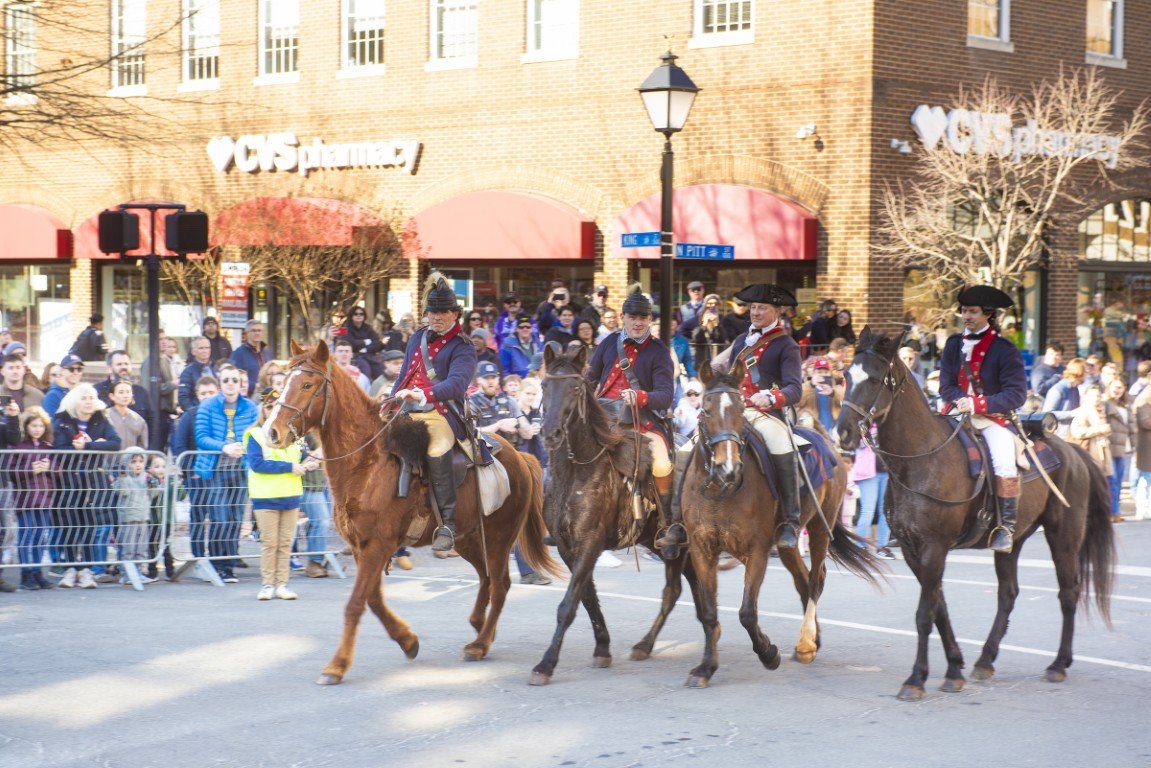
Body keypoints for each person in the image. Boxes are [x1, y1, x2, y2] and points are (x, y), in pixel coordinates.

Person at [713, 283, 806, 549]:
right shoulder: (742, 340)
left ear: (776, 311)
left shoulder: (786, 344)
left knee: (781, 444)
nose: (755, 312)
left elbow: (795, 389)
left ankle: (790, 521)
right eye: (753, 307)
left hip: (766, 414)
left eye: (762, 308)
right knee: (693, 442)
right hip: (736, 410)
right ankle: (680, 517)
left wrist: (770, 397)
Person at [588, 285, 678, 554]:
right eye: (632, 317)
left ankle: (665, 525)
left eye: (643, 318)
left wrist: (639, 397)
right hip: (602, 417)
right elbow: (590, 377)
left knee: (662, 463)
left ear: (650, 320)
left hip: (642, 421)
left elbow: (665, 395)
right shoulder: (609, 342)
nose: (637, 323)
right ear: (624, 317)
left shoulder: (659, 351)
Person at [938, 285, 1028, 552]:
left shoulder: (1004, 349)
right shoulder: (953, 344)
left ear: (987, 314)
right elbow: (946, 386)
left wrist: (978, 403)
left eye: (972, 311)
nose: (966, 316)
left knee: (1003, 462)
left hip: (992, 419)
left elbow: (1016, 394)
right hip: (955, 412)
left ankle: (1005, 527)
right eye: (964, 311)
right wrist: (959, 400)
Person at [391, 273, 477, 552]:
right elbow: (404, 375)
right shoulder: (417, 338)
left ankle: (448, 524)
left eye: (443, 312)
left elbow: (456, 385)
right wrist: (392, 399)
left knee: (437, 450)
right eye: (432, 312)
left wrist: (423, 394)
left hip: (439, 412)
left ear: (455, 313)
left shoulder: (463, 346)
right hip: (406, 407)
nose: (437, 317)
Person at [471, 364, 548, 585]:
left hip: (512, 463)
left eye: (494, 377)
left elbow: (523, 428)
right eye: (486, 378)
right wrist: (498, 426)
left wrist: (527, 428)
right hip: (485, 464)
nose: (491, 381)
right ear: (478, 381)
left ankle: (527, 570)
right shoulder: (472, 402)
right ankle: (492, 569)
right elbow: (471, 433)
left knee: (519, 516)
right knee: (494, 519)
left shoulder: (509, 401)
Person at [246, 387, 317, 600]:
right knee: (270, 543)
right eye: (269, 407)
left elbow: (302, 457)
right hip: (265, 496)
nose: (273, 411)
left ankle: (282, 584)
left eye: (276, 407)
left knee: (286, 542)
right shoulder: (255, 435)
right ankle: (268, 584)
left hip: (290, 494)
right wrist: (289, 467)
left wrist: (310, 462)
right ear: (264, 410)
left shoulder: (293, 435)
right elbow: (257, 464)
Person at [51, 383, 122, 590]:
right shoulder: (63, 420)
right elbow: (58, 448)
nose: (89, 401)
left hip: (93, 481)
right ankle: (72, 567)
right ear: (75, 401)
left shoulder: (101, 418)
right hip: (69, 481)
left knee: (90, 525)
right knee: (70, 525)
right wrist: (79, 448)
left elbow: (115, 443)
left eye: (92, 397)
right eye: (84, 398)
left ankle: (86, 570)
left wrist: (88, 446)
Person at [194, 364, 259, 582]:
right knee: (219, 518)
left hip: (240, 470)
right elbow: (201, 436)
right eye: (226, 380)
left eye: (234, 380)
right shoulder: (208, 406)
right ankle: (216, 563)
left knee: (236, 519)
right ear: (220, 383)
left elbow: (256, 434)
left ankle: (229, 564)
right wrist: (224, 446)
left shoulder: (250, 407)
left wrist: (243, 446)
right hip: (215, 471)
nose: (230, 384)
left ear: (241, 384)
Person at [171, 376, 218, 563]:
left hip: (217, 474)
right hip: (196, 475)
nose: (207, 397)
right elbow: (179, 447)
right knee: (198, 515)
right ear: (197, 395)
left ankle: (217, 556)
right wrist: (191, 470)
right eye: (203, 393)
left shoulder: (222, 415)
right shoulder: (190, 415)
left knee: (218, 516)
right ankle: (198, 557)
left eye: (211, 393)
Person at [13, 407, 53, 590]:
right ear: (26, 426)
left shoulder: (48, 448)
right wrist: (31, 469)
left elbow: (60, 471)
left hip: (44, 498)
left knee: (39, 536)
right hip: (25, 499)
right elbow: (10, 471)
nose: (37, 429)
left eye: (41, 426)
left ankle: (37, 572)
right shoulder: (19, 447)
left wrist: (50, 467)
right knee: (26, 535)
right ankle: (25, 573)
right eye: (33, 425)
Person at [115, 447, 157, 583]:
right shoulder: (124, 478)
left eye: (140, 461)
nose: (137, 464)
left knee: (141, 547)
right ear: (127, 463)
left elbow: (154, 495)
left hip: (143, 517)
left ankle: (139, 571)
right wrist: (122, 478)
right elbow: (123, 492)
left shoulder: (146, 478)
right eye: (133, 461)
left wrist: (154, 485)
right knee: (129, 547)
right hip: (129, 519)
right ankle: (126, 573)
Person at [851, 430, 894, 559]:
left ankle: (882, 546)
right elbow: (855, 443)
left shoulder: (886, 423)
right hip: (867, 473)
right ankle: (860, 547)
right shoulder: (862, 424)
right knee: (868, 510)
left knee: (885, 511)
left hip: (886, 472)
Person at [94, 351, 153, 440]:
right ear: (109, 368)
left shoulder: (141, 392)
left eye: (126, 364)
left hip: (136, 450)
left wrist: (152, 449)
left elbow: (152, 422)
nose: (124, 367)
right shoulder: (96, 391)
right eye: (119, 364)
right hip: (107, 449)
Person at [1103, 378, 1133, 522]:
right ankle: (1111, 512)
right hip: (1109, 447)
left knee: (1119, 482)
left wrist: (1134, 446)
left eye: (1120, 387)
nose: (1117, 390)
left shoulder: (1126, 405)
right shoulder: (1105, 405)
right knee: (1112, 481)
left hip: (1122, 449)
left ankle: (1115, 511)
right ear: (1108, 388)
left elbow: (1132, 428)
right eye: (1115, 387)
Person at [1042, 358, 1086, 437]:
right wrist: (1072, 413)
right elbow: (1047, 413)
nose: (1087, 374)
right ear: (1080, 373)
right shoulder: (1058, 390)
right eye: (1085, 371)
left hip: (1072, 433)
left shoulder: (1075, 389)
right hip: (1060, 436)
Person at [230, 319, 274, 396]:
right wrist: (254, 386)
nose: (257, 333)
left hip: (268, 395)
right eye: (253, 330)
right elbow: (234, 376)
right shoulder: (238, 353)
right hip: (248, 396)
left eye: (259, 330)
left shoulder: (266, 352)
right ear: (247, 334)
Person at [342, 306, 385, 379]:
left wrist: (365, 349)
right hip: (354, 357)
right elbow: (349, 343)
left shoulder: (368, 328)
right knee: (365, 369)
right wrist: (366, 341)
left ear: (364, 316)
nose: (359, 315)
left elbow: (377, 343)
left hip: (369, 354)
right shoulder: (345, 327)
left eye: (361, 314)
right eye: (356, 314)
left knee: (380, 369)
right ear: (351, 316)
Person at [104, 378, 149, 450]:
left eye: (128, 392)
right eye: (121, 392)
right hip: (109, 460)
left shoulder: (139, 420)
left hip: (131, 459)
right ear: (112, 396)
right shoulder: (104, 416)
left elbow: (142, 446)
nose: (125, 395)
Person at [179, 336, 218, 411]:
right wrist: (194, 413)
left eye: (207, 347)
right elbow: (183, 398)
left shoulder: (216, 368)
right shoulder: (188, 372)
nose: (205, 350)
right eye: (201, 348)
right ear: (193, 352)